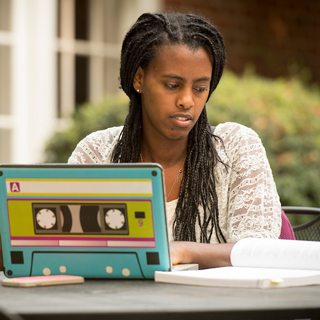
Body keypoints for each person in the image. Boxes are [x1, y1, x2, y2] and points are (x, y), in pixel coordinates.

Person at [68, 12, 282, 269]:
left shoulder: (236, 147)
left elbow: (259, 252)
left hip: (218, 305)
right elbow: (70, 248)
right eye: (172, 85)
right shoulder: (97, 153)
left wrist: (181, 250)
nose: (187, 100)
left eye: (200, 88)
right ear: (139, 79)